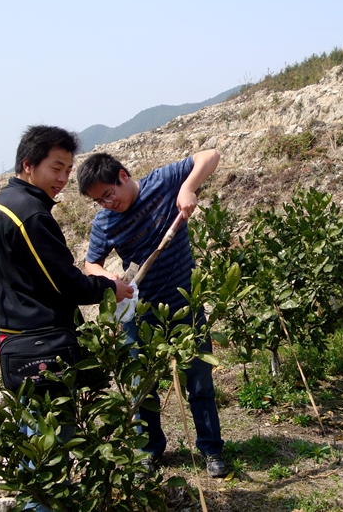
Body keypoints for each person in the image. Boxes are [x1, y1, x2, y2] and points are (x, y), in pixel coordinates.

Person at [0, 125, 133, 511]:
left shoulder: (1, 203)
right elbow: (64, 281)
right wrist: (108, 289)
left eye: (68, 170)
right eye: (56, 168)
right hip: (39, 344)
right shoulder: (29, 214)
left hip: (15, 341)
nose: (64, 179)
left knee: (37, 444)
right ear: (28, 165)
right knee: (50, 448)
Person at [76, 148, 228, 478]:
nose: (106, 204)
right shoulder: (104, 223)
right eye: (98, 201)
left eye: (108, 194)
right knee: (141, 385)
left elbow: (210, 156)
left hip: (184, 305)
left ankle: (211, 449)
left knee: (199, 381)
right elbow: (91, 264)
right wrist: (105, 277)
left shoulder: (162, 181)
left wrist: (188, 187)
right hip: (141, 314)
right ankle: (149, 450)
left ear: (123, 176)